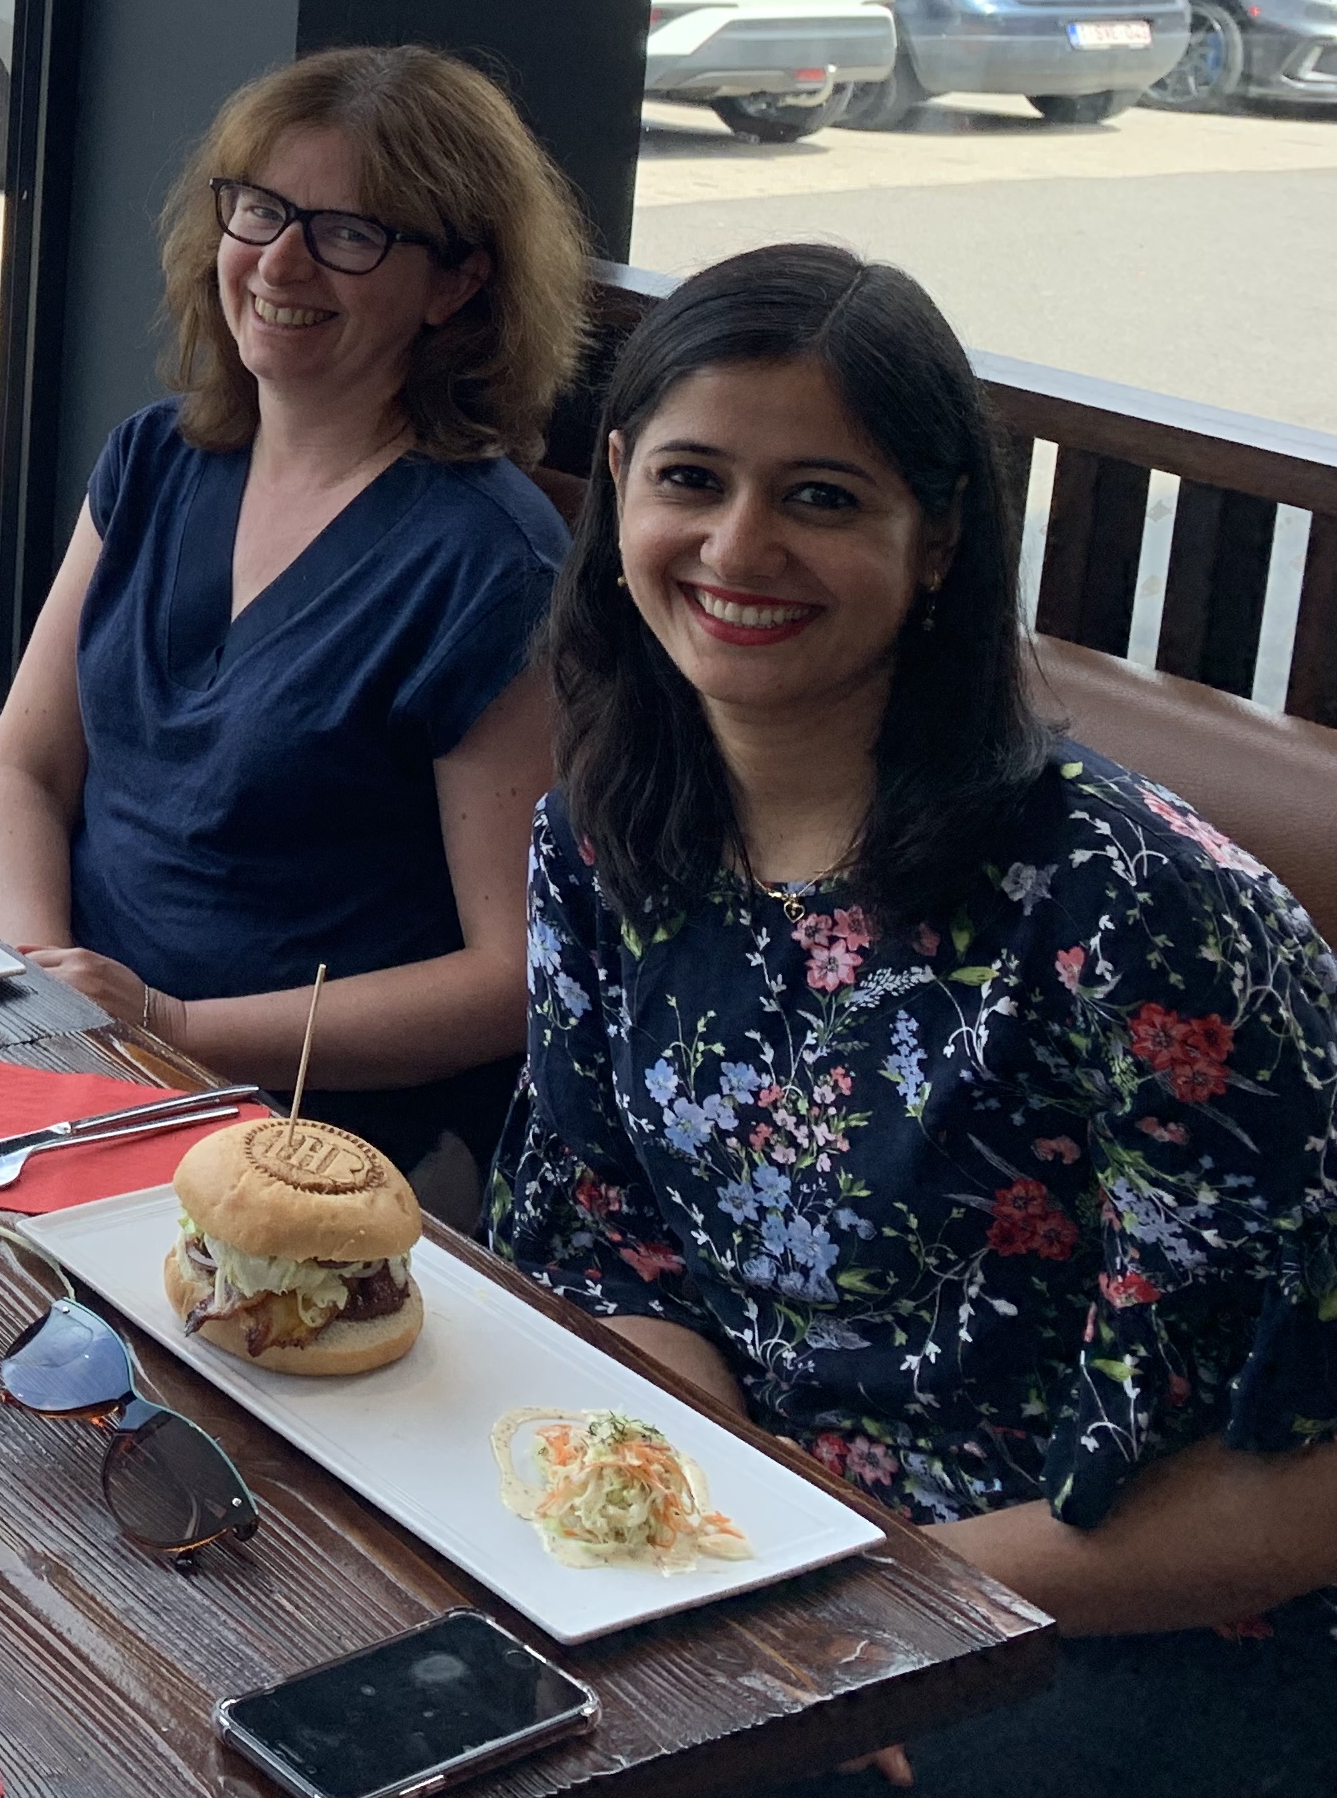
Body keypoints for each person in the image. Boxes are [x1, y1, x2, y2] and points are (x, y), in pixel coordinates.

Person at [493, 244, 1337, 1794]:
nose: (740, 545)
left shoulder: (1131, 905)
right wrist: (711, 1536)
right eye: (692, 479)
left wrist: (869, 1601)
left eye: (822, 496)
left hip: (1128, 1622)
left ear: (938, 537)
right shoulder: (604, 834)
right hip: (777, 1552)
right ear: (616, 487)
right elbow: (610, 1241)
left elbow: (1299, 1478)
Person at [0, 45, 584, 1207]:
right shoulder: (156, 457)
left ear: (455, 285)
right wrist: (48, 987)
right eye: (261, 210)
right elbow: (23, 771)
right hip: (78, 1064)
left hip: (308, 1141)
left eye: (350, 234)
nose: (281, 261)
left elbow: (510, 978)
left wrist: (167, 1024)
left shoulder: (490, 563)